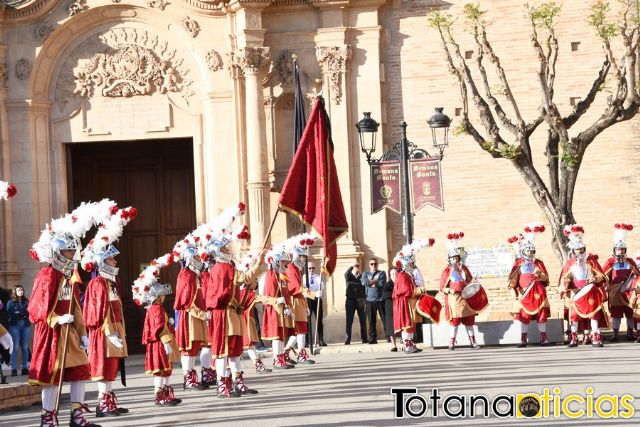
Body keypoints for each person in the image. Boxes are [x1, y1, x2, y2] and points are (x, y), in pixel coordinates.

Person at [29, 199, 115, 427]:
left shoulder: (69, 278)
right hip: (53, 333)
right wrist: (57, 319)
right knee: (52, 377)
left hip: (71, 334)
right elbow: (36, 309)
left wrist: (82, 331)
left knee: (80, 371)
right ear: (58, 252)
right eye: (68, 251)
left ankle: (77, 415)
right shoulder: (47, 276)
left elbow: (75, 307)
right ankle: (48, 418)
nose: (72, 255)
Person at [201, 203, 263, 398]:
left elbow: (243, 281)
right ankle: (222, 384)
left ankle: (237, 382)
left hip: (232, 313)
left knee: (235, 350)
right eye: (226, 247)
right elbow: (243, 279)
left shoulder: (227, 268)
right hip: (223, 314)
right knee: (222, 351)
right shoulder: (224, 269)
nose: (229, 249)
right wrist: (258, 265)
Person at [133, 255, 182, 407]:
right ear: (156, 297)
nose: (163, 298)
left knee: (166, 370)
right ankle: (159, 395)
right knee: (161, 370)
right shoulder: (156, 309)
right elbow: (158, 327)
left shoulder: (155, 308)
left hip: (161, 343)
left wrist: (169, 322)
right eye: (161, 296)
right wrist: (167, 342)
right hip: (160, 344)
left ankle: (166, 394)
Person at [172, 231, 211, 392]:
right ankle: (188, 378)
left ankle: (193, 376)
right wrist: (203, 314)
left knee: (195, 347)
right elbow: (186, 303)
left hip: (197, 317)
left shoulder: (195, 275)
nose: (199, 260)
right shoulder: (186, 275)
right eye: (195, 257)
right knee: (188, 348)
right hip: (189, 317)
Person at [559, 225, 608, 347]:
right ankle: (574, 338)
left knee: (593, 314)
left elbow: (602, 276)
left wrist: (595, 278)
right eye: (577, 250)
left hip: (590, 290)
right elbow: (564, 277)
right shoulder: (570, 263)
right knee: (574, 316)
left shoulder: (591, 261)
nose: (579, 252)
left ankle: (595, 337)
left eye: (581, 249)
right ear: (573, 250)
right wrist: (565, 283)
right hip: (576, 292)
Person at [507, 224, 551, 347]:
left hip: (538, 294)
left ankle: (543, 337)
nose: (530, 253)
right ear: (523, 251)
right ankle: (523, 339)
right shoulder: (519, 264)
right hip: (524, 294)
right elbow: (512, 281)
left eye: (532, 251)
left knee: (541, 315)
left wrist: (539, 275)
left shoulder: (538, 263)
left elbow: (546, 279)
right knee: (524, 316)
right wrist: (513, 294)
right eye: (528, 250)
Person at [283, 233, 321, 364]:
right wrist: (313, 294)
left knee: (299, 330)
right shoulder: (292, 269)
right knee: (301, 329)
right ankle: (301, 354)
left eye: (304, 257)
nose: (304, 260)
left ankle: (286, 353)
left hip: (300, 301)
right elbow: (296, 287)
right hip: (295, 301)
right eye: (302, 257)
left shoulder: (297, 269)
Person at [393, 239, 435, 353]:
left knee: (412, 324)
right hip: (405, 304)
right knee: (407, 324)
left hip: (411, 303)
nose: (412, 265)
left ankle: (411, 343)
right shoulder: (402, 275)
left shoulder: (409, 275)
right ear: (406, 264)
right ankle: (407, 345)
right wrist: (420, 290)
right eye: (410, 263)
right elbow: (406, 290)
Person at [440, 231, 480, 350]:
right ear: (449, 260)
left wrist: (474, 281)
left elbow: (469, 280)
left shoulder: (464, 268)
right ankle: (452, 342)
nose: (455, 261)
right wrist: (450, 290)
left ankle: (473, 342)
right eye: (453, 259)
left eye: (456, 258)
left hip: (466, 296)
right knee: (455, 321)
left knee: (469, 321)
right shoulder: (447, 271)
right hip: (455, 298)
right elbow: (442, 287)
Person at [259, 244, 294, 370]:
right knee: (277, 336)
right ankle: (276, 358)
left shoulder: (281, 275)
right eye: (284, 262)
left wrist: (288, 307)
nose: (286, 265)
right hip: (274, 310)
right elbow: (267, 296)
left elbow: (286, 293)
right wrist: (278, 302)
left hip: (282, 309)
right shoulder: (271, 274)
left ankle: (281, 358)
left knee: (281, 335)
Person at [602, 223, 639, 341]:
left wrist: (632, 268)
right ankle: (615, 334)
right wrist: (606, 285)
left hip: (628, 291)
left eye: (622, 249)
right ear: (615, 250)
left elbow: (637, 274)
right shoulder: (610, 262)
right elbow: (604, 275)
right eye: (618, 249)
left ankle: (630, 333)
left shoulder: (630, 261)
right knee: (616, 313)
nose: (621, 251)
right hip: (615, 291)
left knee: (629, 312)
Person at [360, 257, 387, 344]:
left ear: (377, 264)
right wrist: (375, 282)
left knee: (385, 319)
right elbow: (364, 282)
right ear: (369, 265)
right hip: (369, 300)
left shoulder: (382, 273)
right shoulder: (365, 273)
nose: (373, 265)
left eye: (375, 264)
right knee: (371, 321)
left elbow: (382, 283)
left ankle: (389, 336)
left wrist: (371, 282)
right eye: (371, 264)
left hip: (380, 300)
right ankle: (372, 338)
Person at [7, 285, 30, 376]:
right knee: (15, 347)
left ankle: (24, 368)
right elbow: (10, 313)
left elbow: (29, 312)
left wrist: (20, 314)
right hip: (14, 325)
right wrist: (21, 314)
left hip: (25, 325)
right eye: (18, 290)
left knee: (25, 347)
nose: (21, 291)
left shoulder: (26, 301)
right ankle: (14, 369)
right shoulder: (11, 302)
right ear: (15, 292)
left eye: (21, 289)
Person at [344, 262, 366, 345]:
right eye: (356, 266)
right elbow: (346, 274)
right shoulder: (349, 276)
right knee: (349, 320)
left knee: (363, 320)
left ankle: (364, 338)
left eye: (358, 266)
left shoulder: (361, 277)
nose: (357, 267)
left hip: (360, 300)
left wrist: (364, 298)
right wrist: (351, 266)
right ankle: (347, 339)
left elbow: (364, 287)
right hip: (350, 300)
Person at [304, 261, 326, 347]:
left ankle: (321, 340)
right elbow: (305, 287)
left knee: (319, 320)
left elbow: (321, 286)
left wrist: (313, 288)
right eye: (309, 268)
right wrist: (314, 288)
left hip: (317, 300)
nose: (311, 270)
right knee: (307, 321)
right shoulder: (304, 277)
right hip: (308, 300)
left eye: (313, 268)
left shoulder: (318, 277)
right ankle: (308, 341)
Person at [383, 269, 398, 351]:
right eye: (392, 274)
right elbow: (385, 295)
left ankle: (405, 343)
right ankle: (394, 345)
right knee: (391, 327)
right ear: (390, 275)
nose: (394, 275)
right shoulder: (387, 284)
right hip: (390, 308)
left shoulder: (401, 283)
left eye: (395, 273)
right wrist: (396, 294)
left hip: (399, 307)